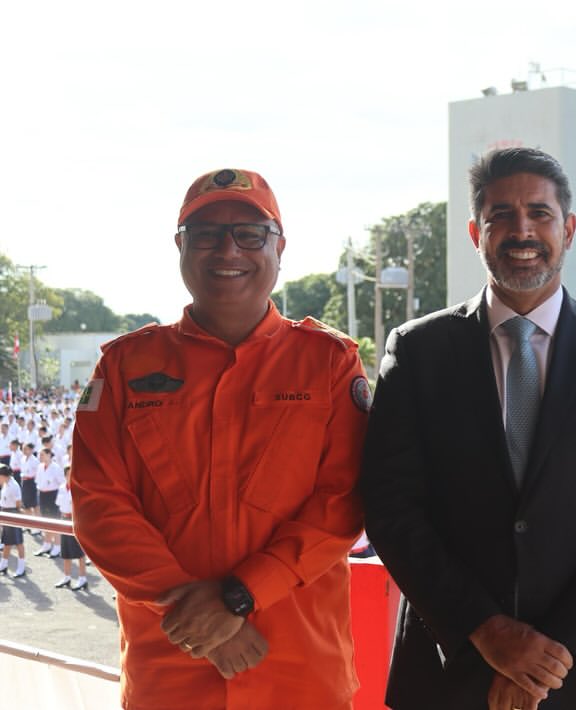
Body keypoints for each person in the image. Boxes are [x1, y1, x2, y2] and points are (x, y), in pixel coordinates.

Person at [359, 148, 576, 710]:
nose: (521, 229)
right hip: (448, 669)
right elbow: (390, 507)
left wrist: (548, 657)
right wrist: (487, 631)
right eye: (501, 214)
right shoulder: (417, 351)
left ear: (569, 229)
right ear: (474, 231)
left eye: (539, 213)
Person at [71, 168, 368, 709]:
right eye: (205, 233)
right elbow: (98, 505)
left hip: (301, 671)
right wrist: (199, 619)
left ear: (280, 248)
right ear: (180, 247)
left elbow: (342, 502)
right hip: (170, 670)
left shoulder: (329, 362)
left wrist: (239, 598)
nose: (227, 248)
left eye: (250, 233)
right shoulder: (124, 366)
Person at [54, 466, 87, 591]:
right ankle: (66, 577)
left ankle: (82, 578)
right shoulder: (62, 487)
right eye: (68, 474)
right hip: (64, 518)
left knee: (79, 552)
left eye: (72, 474)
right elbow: (59, 504)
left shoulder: (79, 488)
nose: (70, 477)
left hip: (76, 520)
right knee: (65, 550)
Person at [0, 465, 26, 578]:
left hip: (12, 513)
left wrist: (15, 513)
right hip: (6, 512)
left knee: (18, 542)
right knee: (6, 541)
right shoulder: (5, 483)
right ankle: (3, 565)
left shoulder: (14, 485)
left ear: (3, 475)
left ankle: (21, 567)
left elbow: (18, 503)